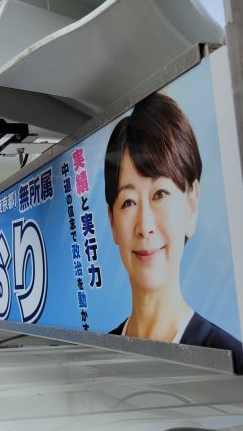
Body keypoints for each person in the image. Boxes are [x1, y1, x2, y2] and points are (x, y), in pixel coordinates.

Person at [104, 92, 242, 373]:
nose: (145, 226)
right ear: (112, 222)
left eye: (160, 194)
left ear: (191, 203)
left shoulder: (233, 363)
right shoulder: (99, 354)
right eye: (128, 202)